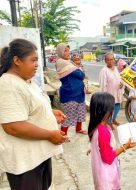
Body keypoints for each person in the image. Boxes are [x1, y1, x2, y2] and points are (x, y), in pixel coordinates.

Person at [0, 39, 68, 190]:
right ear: (17, 60)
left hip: (38, 155)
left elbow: (29, 109)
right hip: (25, 162)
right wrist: (51, 135)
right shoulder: (8, 85)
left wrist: (49, 113)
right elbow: (13, 126)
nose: (37, 64)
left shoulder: (27, 81)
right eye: (33, 60)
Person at [88, 92, 136, 190]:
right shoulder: (103, 131)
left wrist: (93, 149)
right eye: (111, 107)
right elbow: (108, 158)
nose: (113, 109)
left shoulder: (97, 125)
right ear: (104, 110)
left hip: (100, 174)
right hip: (107, 179)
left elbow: (98, 144)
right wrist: (125, 147)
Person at [55, 43, 87, 135]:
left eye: (68, 50)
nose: (67, 52)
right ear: (60, 52)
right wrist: (79, 71)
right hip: (70, 94)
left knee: (80, 111)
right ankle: (63, 134)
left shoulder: (69, 62)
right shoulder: (61, 62)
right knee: (69, 115)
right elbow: (81, 75)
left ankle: (78, 129)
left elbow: (81, 73)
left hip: (79, 93)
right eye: (65, 50)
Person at [99, 52, 124, 126]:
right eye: (108, 60)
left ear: (114, 60)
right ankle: (109, 122)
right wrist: (105, 97)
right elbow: (103, 85)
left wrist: (121, 84)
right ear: (105, 61)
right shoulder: (104, 71)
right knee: (109, 110)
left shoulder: (116, 69)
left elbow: (119, 79)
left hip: (117, 92)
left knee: (117, 107)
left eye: (112, 59)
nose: (111, 61)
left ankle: (113, 119)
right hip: (109, 94)